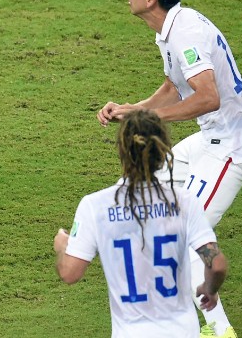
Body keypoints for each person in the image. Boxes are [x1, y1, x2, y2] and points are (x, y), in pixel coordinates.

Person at [96, 0, 242, 338]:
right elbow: (175, 87)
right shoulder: (172, 27)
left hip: (232, 149)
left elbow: (208, 97)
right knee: (149, 192)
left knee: (184, 235)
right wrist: (131, 110)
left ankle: (220, 331)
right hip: (209, 140)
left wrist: (153, 121)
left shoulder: (185, 33)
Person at [54, 109, 229, 338]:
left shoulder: (95, 206)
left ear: (121, 150)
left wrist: (62, 247)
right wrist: (209, 289)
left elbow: (70, 273)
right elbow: (216, 265)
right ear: (163, 150)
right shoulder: (183, 201)